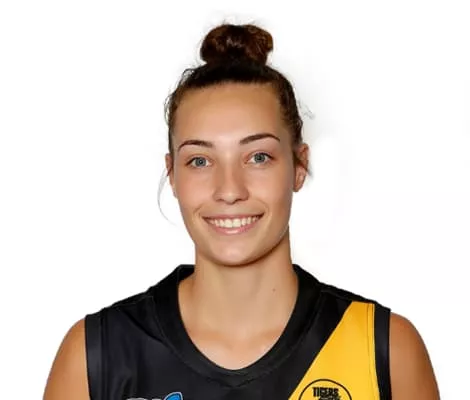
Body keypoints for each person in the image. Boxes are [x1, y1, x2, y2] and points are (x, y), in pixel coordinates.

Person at [43, 23, 440, 400]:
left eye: (258, 157)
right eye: (200, 161)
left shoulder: (386, 351)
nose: (229, 190)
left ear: (299, 166)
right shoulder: (97, 356)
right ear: (173, 174)